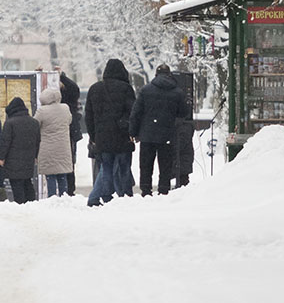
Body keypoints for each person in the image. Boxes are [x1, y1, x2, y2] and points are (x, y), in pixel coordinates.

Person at [129, 64, 190, 196]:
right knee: (165, 164)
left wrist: (133, 132)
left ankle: (146, 189)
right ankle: (163, 189)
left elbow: (136, 113)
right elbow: (184, 112)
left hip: (147, 135)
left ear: (156, 75)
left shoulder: (145, 90)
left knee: (146, 165)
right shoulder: (177, 92)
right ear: (169, 75)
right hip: (167, 135)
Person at [84, 58, 136, 207]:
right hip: (122, 136)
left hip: (102, 136)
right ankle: (125, 195)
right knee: (124, 167)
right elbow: (132, 112)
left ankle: (106, 196)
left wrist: (93, 136)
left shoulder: (95, 89)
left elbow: (89, 116)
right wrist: (130, 130)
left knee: (105, 167)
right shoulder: (126, 89)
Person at [0, 97, 40, 203]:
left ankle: (20, 204)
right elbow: (37, 141)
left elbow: (5, 142)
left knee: (17, 183)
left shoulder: (10, 123)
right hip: (28, 158)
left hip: (13, 160)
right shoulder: (34, 122)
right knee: (27, 181)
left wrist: (1, 157)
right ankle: (31, 203)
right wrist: (35, 155)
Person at [35, 87, 72, 197]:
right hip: (63, 147)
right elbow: (69, 120)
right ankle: (64, 197)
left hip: (47, 147)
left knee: (50, 175)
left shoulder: (42, 111)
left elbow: (35, 124)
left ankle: (52, 198)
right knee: (62, 175)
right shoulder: (65, 108)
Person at [59, 71, 82, 195]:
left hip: (68, 132)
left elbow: (74, 88)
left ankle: (69, 189)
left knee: (68, 162)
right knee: (68, 162)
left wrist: (62, 76)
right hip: (69, 131)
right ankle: (69, 189)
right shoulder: (70, 101)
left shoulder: (68, 96)